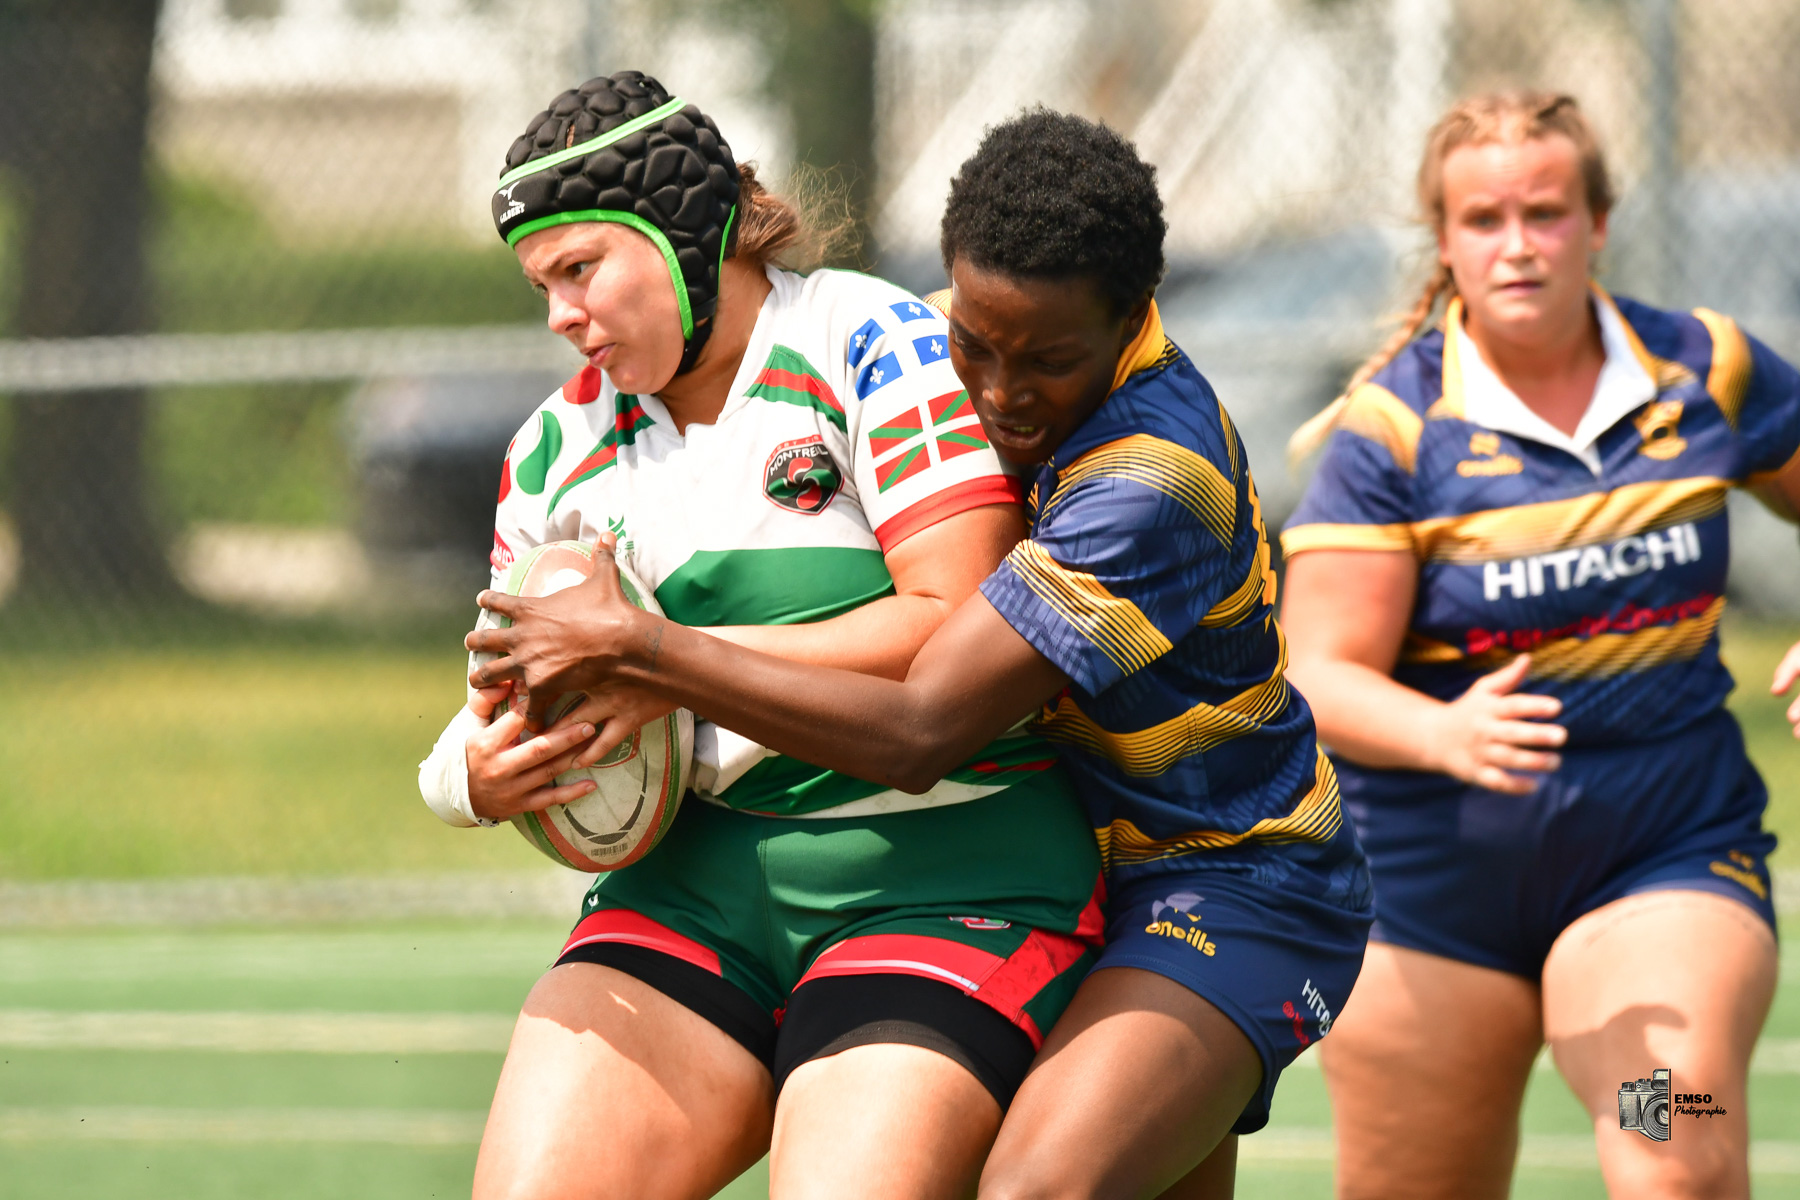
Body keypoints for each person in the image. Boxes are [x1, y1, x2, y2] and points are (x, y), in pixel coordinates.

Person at [470, 109, 1373, 1199]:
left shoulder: (1150, 479)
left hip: (1223, 872)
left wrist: (651, 652)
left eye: (1047, 361)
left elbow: (923, 729)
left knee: (1039, 1188)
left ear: (1133, 316)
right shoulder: (916, 340)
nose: (996, 394)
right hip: (1086, 836)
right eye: (975, 345)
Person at [418, 72, 1108, 1200]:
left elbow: (955, 624)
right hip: (692, 888)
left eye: (581, 270)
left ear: (692, 233)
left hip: (942, 874)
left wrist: (662, 667)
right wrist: (474, 774)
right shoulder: (554, 446)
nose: (559, 315)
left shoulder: (870, 341)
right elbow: (517, 690)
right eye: (541, 286)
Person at [1279, 91, 1793, 1199]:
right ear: (1446, 239)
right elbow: (1314, 671)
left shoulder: (1703, 368)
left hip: (1660, 867)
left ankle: (1683, 1092)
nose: (1518, 246)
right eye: (1484, 220)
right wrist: (1443, 729)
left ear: (1599, 222)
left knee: (1674, 1134)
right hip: (1430, 909)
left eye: (1548, 212)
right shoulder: (1395, 430)